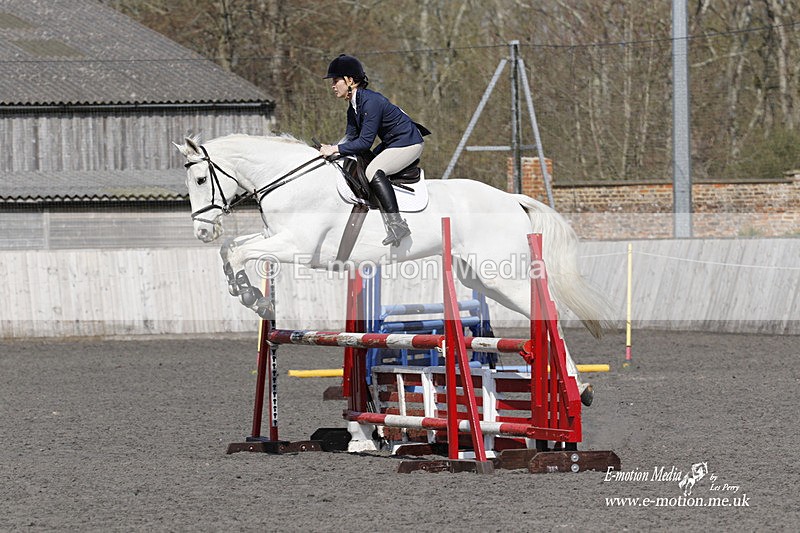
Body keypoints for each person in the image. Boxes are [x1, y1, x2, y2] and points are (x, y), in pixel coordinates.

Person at [319, 54, 425, 247]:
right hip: (392, 143)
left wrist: (334, 148)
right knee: (360, 165)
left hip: (408, 142)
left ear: (350, 80)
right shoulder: (353, 107)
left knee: (372, 171)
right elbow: (350, 138)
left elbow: (365, 142)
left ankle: (397, 224)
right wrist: (330, 152)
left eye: (336, 81)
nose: (333, 86)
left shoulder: (370, 101)